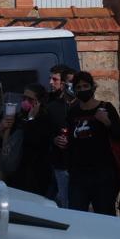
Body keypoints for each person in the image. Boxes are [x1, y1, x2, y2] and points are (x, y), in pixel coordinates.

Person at [54, 71, 120, 215]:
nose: (82, 90)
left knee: (105, 215)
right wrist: (58, 141)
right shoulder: (73, 112)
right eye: (78, 88)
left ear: (92, 88)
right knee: (77, 215)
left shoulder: (106, 107)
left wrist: (106, 122)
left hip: (102, 174)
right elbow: (69, 137)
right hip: (78, 175)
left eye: (85, 86)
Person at [2, 83, 55, 196]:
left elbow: (35, 141)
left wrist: (31, 119)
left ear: (38, 102)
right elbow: (8, 142)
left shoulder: (45, 119)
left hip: (35, 175)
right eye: (24, 98)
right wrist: (2, 128)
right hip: (17, 172)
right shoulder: (19, 117)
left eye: (30, 99)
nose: (25, 102)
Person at [46, 64, 75, 207]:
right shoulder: (51, 105)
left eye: (55, 79)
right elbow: (44, 130)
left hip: (78, 165)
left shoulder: (83, 106)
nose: (51, 83)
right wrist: (53, 138)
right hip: (58, 162)